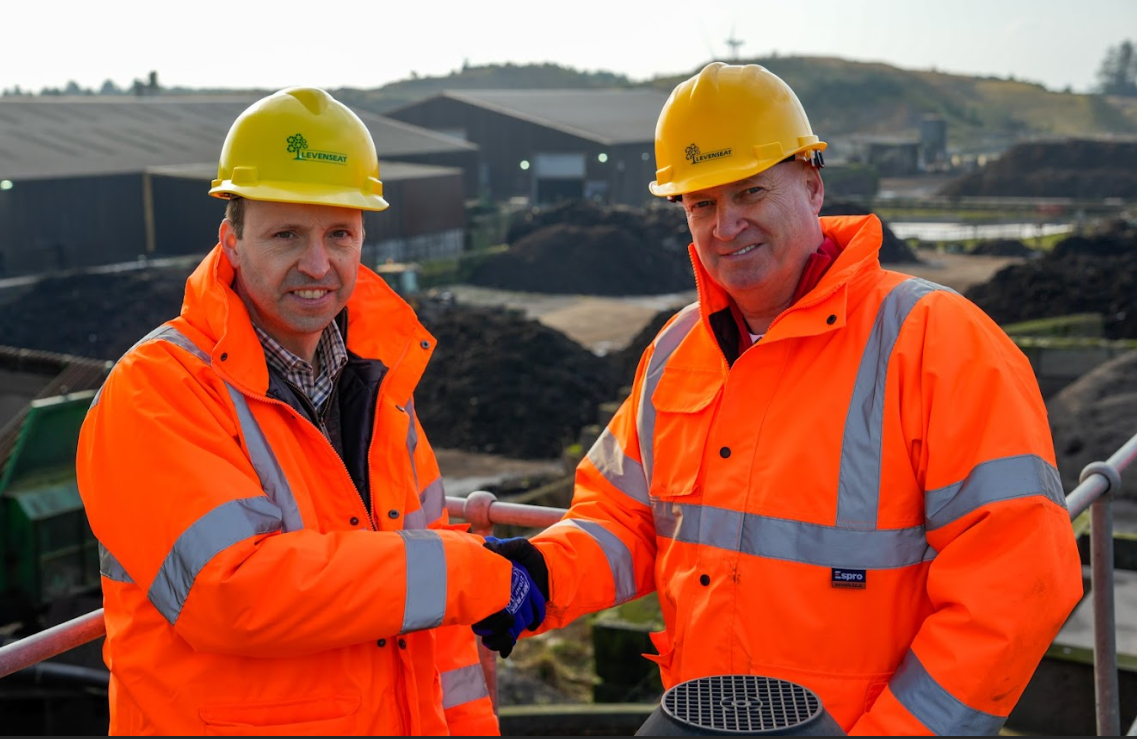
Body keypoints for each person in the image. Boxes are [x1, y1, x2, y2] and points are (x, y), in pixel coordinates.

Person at [473, 62, 1084, 735]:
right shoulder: (676, 350)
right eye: (701, 204)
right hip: (703, 720)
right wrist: (536, 574)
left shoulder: (935, 342)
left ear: (812, 186)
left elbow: (1020, 581)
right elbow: (623, 521)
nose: (724, 225)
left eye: (750, 192)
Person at [75, 87, 546, 736]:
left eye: (338, 234)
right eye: (287, 234)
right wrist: (472, 569)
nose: (317, 264)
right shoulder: (157, 392)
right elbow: (234, 595)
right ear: (232, 241)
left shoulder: (383, 388)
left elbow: (439, 635)